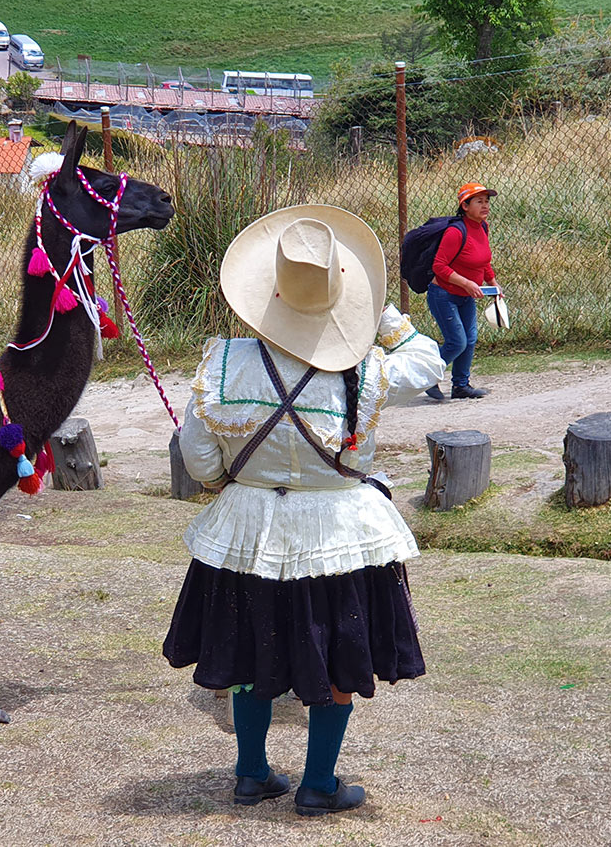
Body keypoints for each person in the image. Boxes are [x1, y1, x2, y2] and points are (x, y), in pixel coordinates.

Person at [163, 205, 443, 814]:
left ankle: (251, 773)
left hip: (247, 530)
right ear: (342, 297)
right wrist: (383, 317)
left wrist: (227, 482)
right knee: (338, 651)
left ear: (269, 293)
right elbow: (429, 361)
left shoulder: (224, 363)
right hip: (339, 532)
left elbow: (198, 454)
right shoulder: (368, 368)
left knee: (248, 647)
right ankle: (318, 784)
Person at [424, 182, 498, 400]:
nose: (485, 206)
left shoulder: (482, 227)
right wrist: (466, 283)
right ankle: (426, 377)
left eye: (487, 201)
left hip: (466, 295)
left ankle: (461, 386)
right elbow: (439, 266)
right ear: (465, 206)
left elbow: (483, 260)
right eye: (479, 202)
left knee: (470, 340)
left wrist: (493, 283)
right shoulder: (455, 232)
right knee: (457, 342)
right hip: (444, 295)